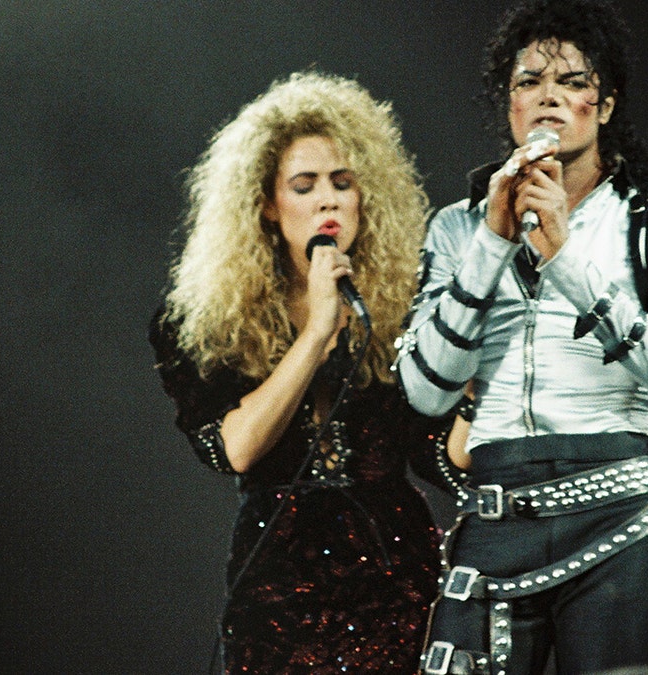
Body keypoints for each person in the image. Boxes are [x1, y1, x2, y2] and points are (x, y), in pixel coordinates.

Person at [393, 1, 648, 672]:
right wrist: (491, 240)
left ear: (604, 106)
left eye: (572, 81)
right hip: (494, 510)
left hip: (614, 509)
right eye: (528, 81)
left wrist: (566, 255)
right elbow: (425, 394)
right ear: (507, 105)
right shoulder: (457, 226)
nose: (548, 96)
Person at [149, 71, 445, 674]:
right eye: (304, 186)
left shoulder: (407, 307)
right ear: (266, 203)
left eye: (343, 183)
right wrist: (316, 335)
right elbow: (237, 448)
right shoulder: (202, 325)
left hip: (398, 576)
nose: (328, 200)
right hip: (279, 586)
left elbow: (433, 451)